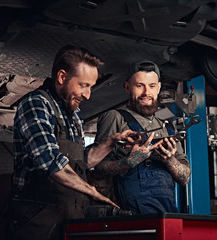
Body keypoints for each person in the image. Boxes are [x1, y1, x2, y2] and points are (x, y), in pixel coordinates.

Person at [8, 45, 136, 240]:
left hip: (71, 217)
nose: (88, 95)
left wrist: (111, 141)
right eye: (83, 85)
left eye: (91, 87)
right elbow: (50, 161)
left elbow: (79, 163)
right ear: (61, 77)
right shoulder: (36, 104)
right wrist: (91, 191)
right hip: (39, 219)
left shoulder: (74, 114)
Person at [94, 60, 191, 215]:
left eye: (152, 86)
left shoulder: (166, 119)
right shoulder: (115, 117)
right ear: (127, 87)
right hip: (132, 215)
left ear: (158, 88)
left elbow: (185, 177)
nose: (147, 92)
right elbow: (97, 170)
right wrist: (128, 163)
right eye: (139, 86)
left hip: (167, 212)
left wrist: (170, 161)